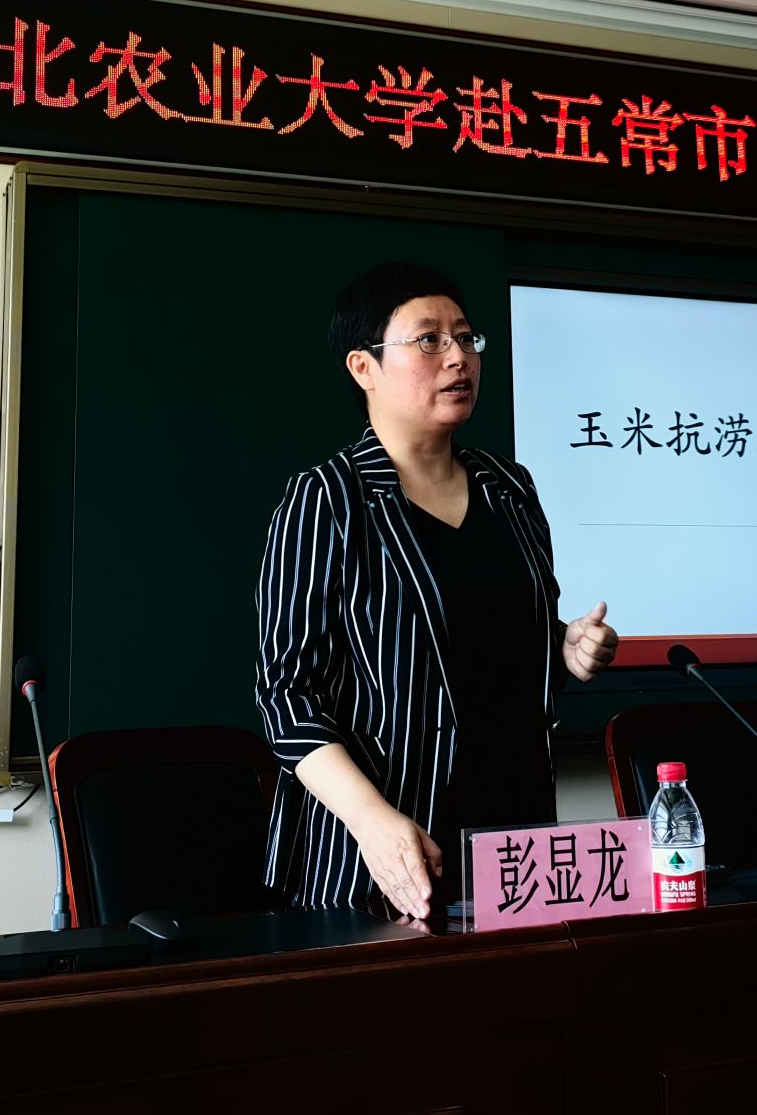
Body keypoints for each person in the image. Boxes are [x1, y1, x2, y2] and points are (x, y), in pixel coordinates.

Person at [256, 261, 619, 920]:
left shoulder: (509, 489)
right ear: (363, 367)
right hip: (383, 854)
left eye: (465, 338)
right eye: (429, 340)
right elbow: (287, 695)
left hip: (518, 844)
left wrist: (564, 646)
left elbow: (491, 649)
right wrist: (373, 824)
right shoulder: (328, 499)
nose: (458, 357)